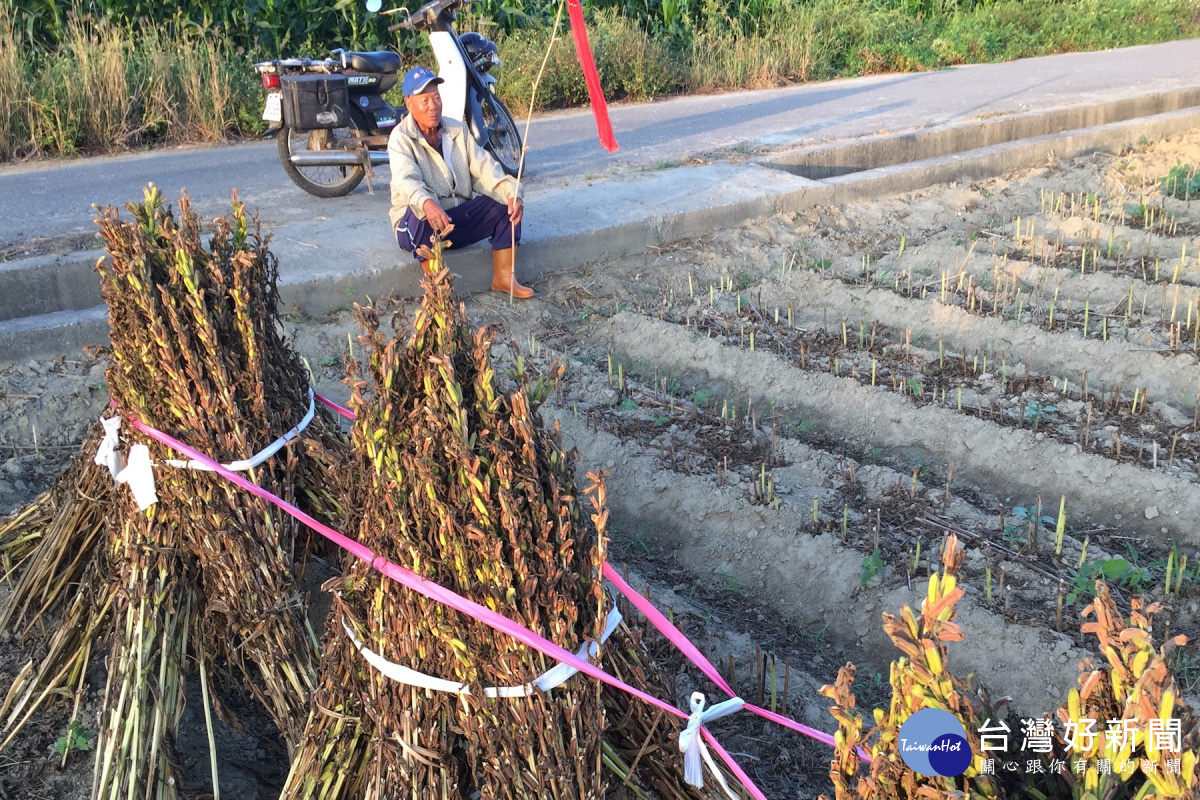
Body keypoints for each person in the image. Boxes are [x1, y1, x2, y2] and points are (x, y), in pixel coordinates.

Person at [388, 66, 531, 298]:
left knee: (505, 203)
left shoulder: (457, 130)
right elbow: (407, 180)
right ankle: (439, 289)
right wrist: (426, 203)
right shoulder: (401, 138)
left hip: (453, 222)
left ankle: (504, 277)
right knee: (421, 213)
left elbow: (484, 169)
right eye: (424, 100)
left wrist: (512, 192)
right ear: (409, 104)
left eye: (436, 98)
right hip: (417, 225)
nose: (433, 106)